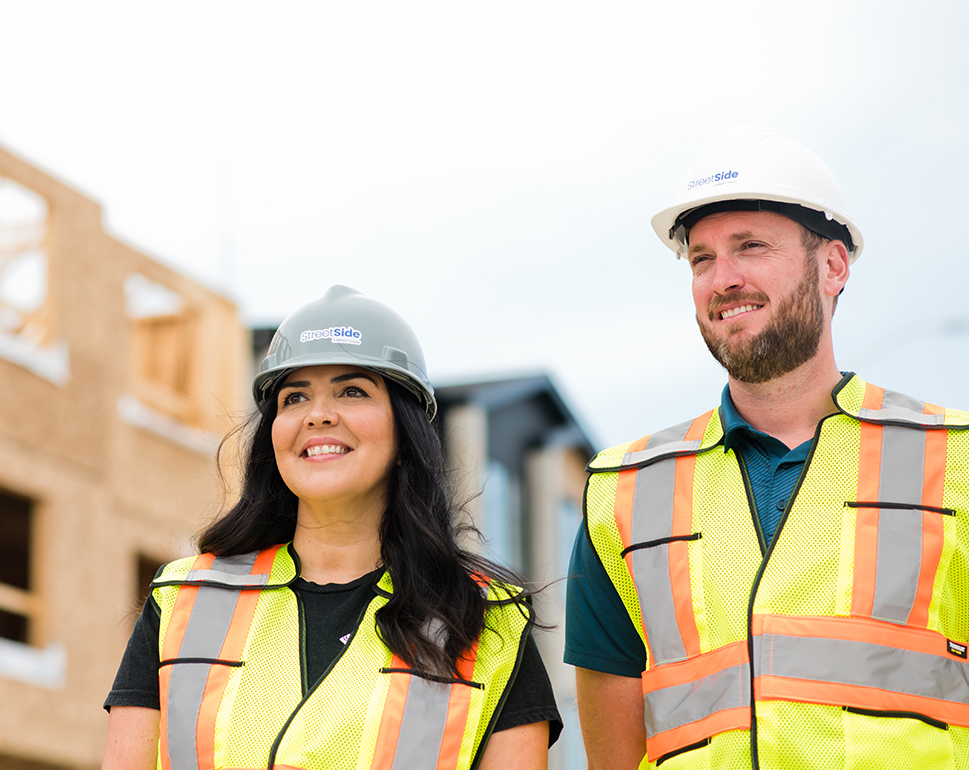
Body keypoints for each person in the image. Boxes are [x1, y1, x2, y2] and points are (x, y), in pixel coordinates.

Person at [565, 124, 969, 769]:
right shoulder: (625, 492)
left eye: (750, 247)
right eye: (701, 258)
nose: (722, 278)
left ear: (833, 265)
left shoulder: (957, 464)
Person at [103, 285, 561, 770]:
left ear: (405, 432)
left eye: (352, 391)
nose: (318, 414)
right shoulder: (183, 604)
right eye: (294, 397)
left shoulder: (486, 621)